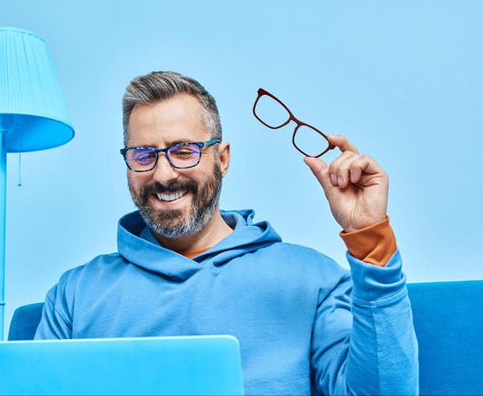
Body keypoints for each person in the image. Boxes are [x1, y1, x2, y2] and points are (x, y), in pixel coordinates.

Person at [35, 71, 418, 395]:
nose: (163, 174)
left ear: (222, 159)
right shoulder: (76, 294)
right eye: (143, 155)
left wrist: (368, 234)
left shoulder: (311, 279)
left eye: (183, 151)